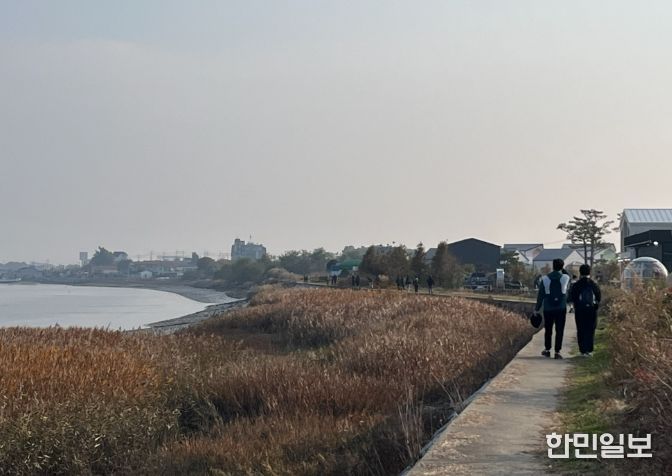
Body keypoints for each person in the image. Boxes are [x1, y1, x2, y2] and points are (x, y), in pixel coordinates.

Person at [534, 258, 571, 359]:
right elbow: (568, 278)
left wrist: (537, 309)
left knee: (548, 329)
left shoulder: (545, 279)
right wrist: (563, 270)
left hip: (548, 308)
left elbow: (540, 296)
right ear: (562, 267)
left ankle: (547, 350)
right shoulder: (565, 278)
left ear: (552, 266)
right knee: (560, 330)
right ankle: (557, 351)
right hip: (561, 307)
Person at [570, 264, 601, 357]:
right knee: (590, 329)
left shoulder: (576, 285)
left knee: (581, 329)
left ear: (580, 272)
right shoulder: (593, 284)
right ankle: (589, 350)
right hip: (591, 310)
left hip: (580, 310)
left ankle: (582, 350)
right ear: (589, 272)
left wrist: (576, 306)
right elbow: (598, 297)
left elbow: (573, 298)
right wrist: (595, 306)